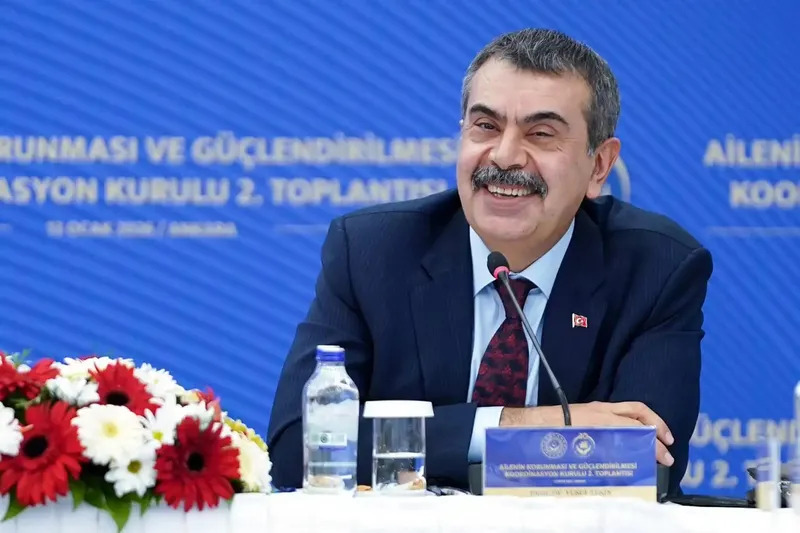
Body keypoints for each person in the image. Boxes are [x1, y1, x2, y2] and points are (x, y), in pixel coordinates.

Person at [267, 28, 712, 495]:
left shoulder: (657, 268)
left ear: (599, 165)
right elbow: (301, 446)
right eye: (486, 126)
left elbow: (645, 464)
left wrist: (448, 453)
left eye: (541, 134)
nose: (504, 156)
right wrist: (525, 426)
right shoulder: (372, 251)